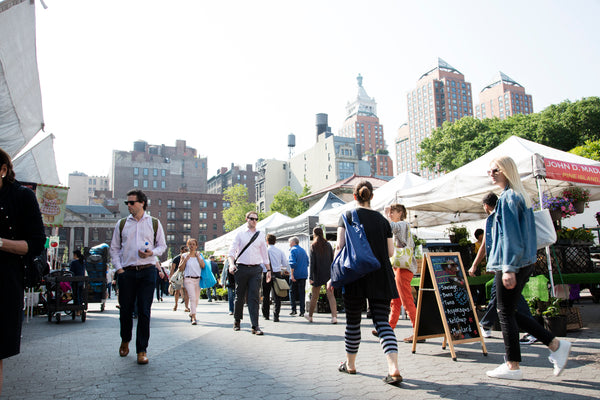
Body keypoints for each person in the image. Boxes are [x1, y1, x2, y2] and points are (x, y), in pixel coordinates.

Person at [484, 156, 571, 380]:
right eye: (490, 171)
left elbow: (510, 236)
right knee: (509, 311)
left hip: (513, 263)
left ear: (506, 171)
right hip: (522, 262)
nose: (491, 174)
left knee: (504, 313)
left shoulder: (509, 198)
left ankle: (513, 365)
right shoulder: (518, 195)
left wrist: (509, 268)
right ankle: (554, 345)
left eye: (495, 170)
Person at [328, 180, 402, 386]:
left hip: (355, 275)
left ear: (354, 196)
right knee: (382, 321)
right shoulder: (383, 220)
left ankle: (350, 365)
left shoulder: (348, 216)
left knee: (353, 321)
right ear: (371, 196)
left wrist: (333, 275)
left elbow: (340, 247)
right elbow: (389, 253)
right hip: (380, 274)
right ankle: (393, 368)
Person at [0, 148, 46, 395]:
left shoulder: (21, 197)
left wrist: (1, 243)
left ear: (3, 170)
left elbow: (37, 243)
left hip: (5, 281)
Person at [110, 189, 166, 365]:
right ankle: (125, 339)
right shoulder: (121, 224)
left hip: (147, 271)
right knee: (125, 311)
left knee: (144, 311)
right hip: (127, 272)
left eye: (132, 202)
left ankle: (142, 349)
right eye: (127, 203)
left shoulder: (154, 223)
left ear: (142, 203)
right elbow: (114, 249)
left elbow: (162, 246)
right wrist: (119, 270)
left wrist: (152, 252)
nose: (129, 206)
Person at [469, 193, 533, 342]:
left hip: (505, 265)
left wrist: (475, 265)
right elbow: (485, 245)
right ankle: (486, 324)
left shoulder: (497, 218)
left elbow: (489, 245)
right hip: (504, 265)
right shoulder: (494, 218)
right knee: (498, 296)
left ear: (486, 205)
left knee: (511, 296)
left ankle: (532, 330)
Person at [228, 211, 271, 335]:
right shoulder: (240, 234)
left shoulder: (260, 235)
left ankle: (255, 326)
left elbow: (264, 253)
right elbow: (231, 252)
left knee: (254, 297)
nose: (254, 221)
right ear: (246, 219)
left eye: (256, 219)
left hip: (256, 269)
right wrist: (231, 264)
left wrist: (268, 270)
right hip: (241, 268)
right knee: (239, 296)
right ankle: (237, 320)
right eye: (251, 218)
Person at [384, 204, 418, 343]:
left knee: (405, 299)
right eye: (390, 212)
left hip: (404, 267)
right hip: (400, 266)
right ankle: (389, 328)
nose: (390, 214)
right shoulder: (403, 225)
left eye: (393, 212)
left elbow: (390, 228)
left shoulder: (403, 224)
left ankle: (417, 331)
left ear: (400, 213)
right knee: (396, 299)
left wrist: (386, 216)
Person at [306, 227, 337, 324]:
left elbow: (312, 263)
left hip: (317, 273)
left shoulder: (313, 245)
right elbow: (332, 260)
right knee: (331, 295)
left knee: (314, 296)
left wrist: (310, 277)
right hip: (328, 273)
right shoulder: (328, 245)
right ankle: (334, 317)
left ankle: (310, 316)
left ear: (314, 234)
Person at [178, 238, 205, 325]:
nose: (192, 246)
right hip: (188, 279)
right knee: (192, 298)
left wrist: (198, 257)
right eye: (190, 244)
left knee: (196, 299)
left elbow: (203, 266)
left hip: (197, 279)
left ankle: (191, 312)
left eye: (193, 244)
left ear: (196, 246)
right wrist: (185, 260)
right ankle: (194, 317)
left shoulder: (199, 255)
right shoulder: (184, 256)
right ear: (187, 245)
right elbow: (180, 268)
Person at [264, 233, 288, 322]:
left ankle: (266, 314)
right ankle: (276, 315)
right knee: (277, 295)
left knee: (266, 295)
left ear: (267, 241)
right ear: (275, 241)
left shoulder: (265, 251)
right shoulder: (280, 251)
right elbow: (285, 263)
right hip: (277, 273)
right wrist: (280, 267)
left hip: (266, 273)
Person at [288, 236, 309, 317]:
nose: (289, 244)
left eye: (289, 242)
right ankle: (302, 311)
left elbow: (292, 263)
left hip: (295, 274)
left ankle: (293, 309)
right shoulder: (303, 250)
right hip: (303, 274)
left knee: (292, 292)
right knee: (301, 292)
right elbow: (307, 262)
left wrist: (292, 275)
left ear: (293, 242)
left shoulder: (292, 250)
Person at [170, 245, 189, 312]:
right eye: (185, 250)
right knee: (177, 291)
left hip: (186, 275)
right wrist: (170, 278)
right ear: (181, 250)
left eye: (187, 250)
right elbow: (172, 269)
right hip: (178, 276)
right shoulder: (176, 258)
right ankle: (176, 304)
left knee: (186, 291)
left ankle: (186, 306)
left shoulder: (189, 257)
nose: (187, 251)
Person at [70, 249, 86, 315]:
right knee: (80, 295)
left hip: (75, 281)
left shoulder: (74, 262)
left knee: (76, 295)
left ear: (75, 255)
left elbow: (71, 272)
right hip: (81, 280)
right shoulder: (83, 262)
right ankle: (80, 309)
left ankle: (77, 310)